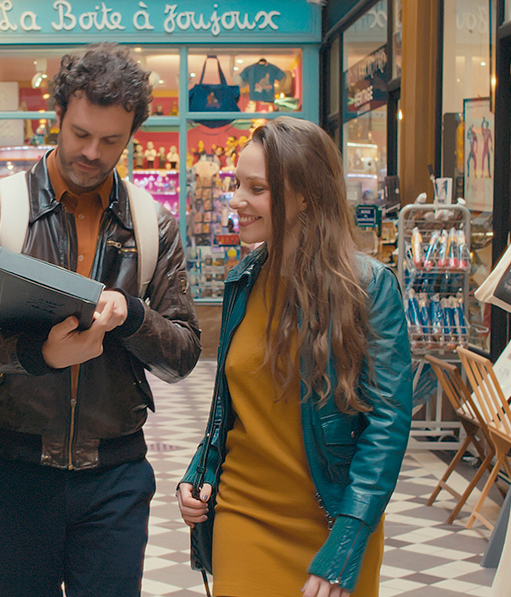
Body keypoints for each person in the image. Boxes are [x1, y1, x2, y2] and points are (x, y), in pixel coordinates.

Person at [0, 43, 202, 597]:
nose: (92, 151)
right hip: (16, 467)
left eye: (112, 141)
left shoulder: (153, 226)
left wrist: (133, 315)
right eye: (80, 133)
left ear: (131, 135)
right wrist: (39, 354)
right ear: (57, 116)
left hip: (115, 473)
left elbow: (183, 355)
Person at [176, 117, 413, 597]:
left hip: (333, 520)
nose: (236, 200)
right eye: (236, 184)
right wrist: (199, 470)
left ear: (304, 194)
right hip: (243, 514)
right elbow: (233, 403)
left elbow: (387, 426)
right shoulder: (244, 280)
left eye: (256, 188)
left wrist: (347, 543)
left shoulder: (367, 288)